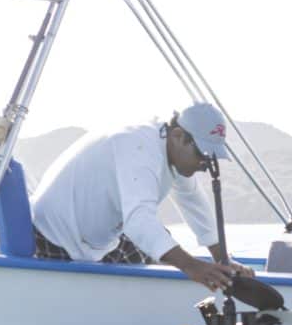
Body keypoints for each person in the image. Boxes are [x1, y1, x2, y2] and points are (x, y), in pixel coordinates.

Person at [31, 102, 253, 291]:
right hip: (55, 240)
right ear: (178, 137)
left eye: (212, 158)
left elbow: (193, 202)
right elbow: (138, 221)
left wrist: (222, 258)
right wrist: (191, 266)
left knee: (161, 243)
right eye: (203, 155)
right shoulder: (139, 147)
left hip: (97, 244)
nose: (205, 166)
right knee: (163, 245)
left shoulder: (170, 147)